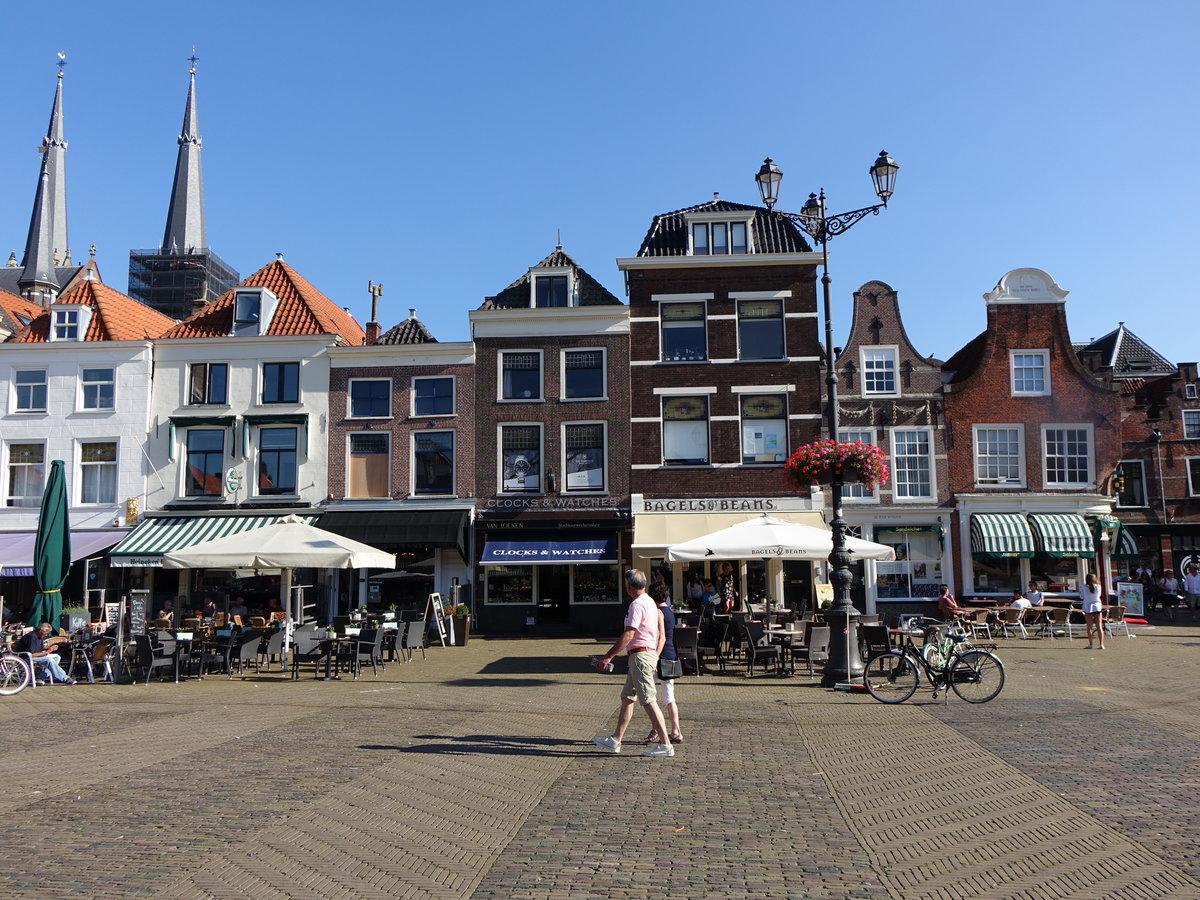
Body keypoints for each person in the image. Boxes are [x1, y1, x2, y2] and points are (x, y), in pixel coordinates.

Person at [591, 569, 674, 758]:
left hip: (640, 656)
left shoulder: (637, 605)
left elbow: (629, 633)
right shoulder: (651, 603)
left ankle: (666, 744)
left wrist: (608, 656)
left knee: (648, 699)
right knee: (628, 697)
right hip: (644, 654)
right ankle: (615, 739)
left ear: (629, 586)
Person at [644, 582, 683, 746]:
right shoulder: (670, 611)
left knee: (656, 696)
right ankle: (673, 730)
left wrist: (654, 658)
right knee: (668, 696)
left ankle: (670, 730)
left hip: (661, 657)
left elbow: (661, 638)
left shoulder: (659, 612)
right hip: (671, 654)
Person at [1081, 572, 1105, 650]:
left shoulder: (1084, 587)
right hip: (1097, 607)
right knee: (1099, 626)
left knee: (1089, 627)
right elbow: (1099, 595)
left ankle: (1091, 644)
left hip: (1088, 607)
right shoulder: (1099, 586)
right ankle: (1101, 644)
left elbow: (1081, 597)